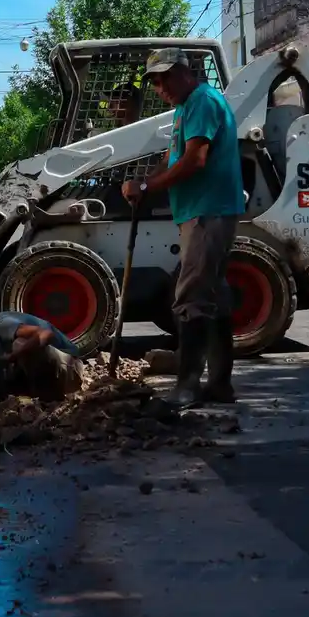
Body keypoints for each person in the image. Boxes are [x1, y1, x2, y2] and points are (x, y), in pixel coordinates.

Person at [121, 47, 246, 409]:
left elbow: (196, 159)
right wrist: (146, 184)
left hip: (208, 211)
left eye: (165, 79)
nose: (161, 88)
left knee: (190, 295)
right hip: (201, 210)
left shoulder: (203, 101)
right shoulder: (184, 110)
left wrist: (146, 188)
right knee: (213, 297)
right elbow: (172, 159)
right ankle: (220, 385)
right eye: (156, 83)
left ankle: (188, 387)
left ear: (186, 72)